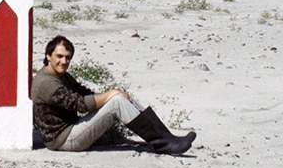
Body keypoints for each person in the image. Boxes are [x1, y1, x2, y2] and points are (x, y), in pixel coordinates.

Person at [31, 35, 196, 154]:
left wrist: (113, 95)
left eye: (67, 58)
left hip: (72, 128)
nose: (64, 62)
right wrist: (111, 95)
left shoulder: (61, 75)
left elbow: (84, 92)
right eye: (59, 56)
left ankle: (167, 137)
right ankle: (163, 143)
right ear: (48, 56)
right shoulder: (47, 82)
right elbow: (80, 104)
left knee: (122, 97)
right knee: (116, 100)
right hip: (63, 140)